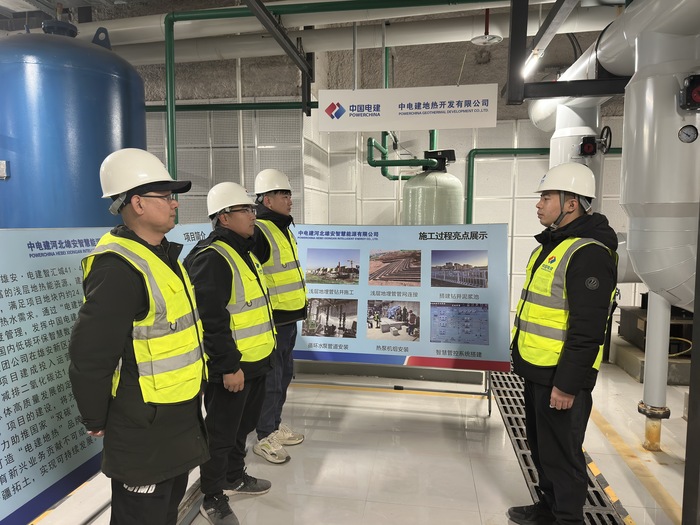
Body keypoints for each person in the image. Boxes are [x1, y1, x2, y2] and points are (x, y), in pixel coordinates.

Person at [68, 148, 209, 525]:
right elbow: (90, 354)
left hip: (176, 415)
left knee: (165, 511)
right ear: (138, 203)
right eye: (166, 196)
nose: (175, 204)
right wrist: (95, 416)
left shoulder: (163, 256)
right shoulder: (118, 268)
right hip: (143, 426)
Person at [507, 162, 618, 525]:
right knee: (541, 448)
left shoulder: (589, 254)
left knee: (563, 455)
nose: (538, 204)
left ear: (572, 203)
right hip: (538, 369)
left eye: (546, 197)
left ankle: (567, 518)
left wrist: (567, 385)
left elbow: (588, 329)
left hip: (560, 376)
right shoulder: (552, 246)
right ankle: (548, 509)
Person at [184, 182, 276, 525]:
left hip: (255, 362)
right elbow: (211, 320)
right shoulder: (212, 258)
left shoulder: (243, 251)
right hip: (233, 367)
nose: (253, 216)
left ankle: (235, 477)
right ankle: (212, 495)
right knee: (221, 434)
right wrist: (227, 366)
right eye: (246, 210)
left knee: (243, 427)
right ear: (224, 217)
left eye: (252, 209)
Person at [251, 168, 308, 464]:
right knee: (272, 380)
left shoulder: (282, 227)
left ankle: (274, 426)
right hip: (272, 319)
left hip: (288, 318)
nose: (290, 199)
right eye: (283, 194)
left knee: (284, 375)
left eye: (289, 194)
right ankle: (264, 436)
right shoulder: (260, 231)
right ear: (267, 199)